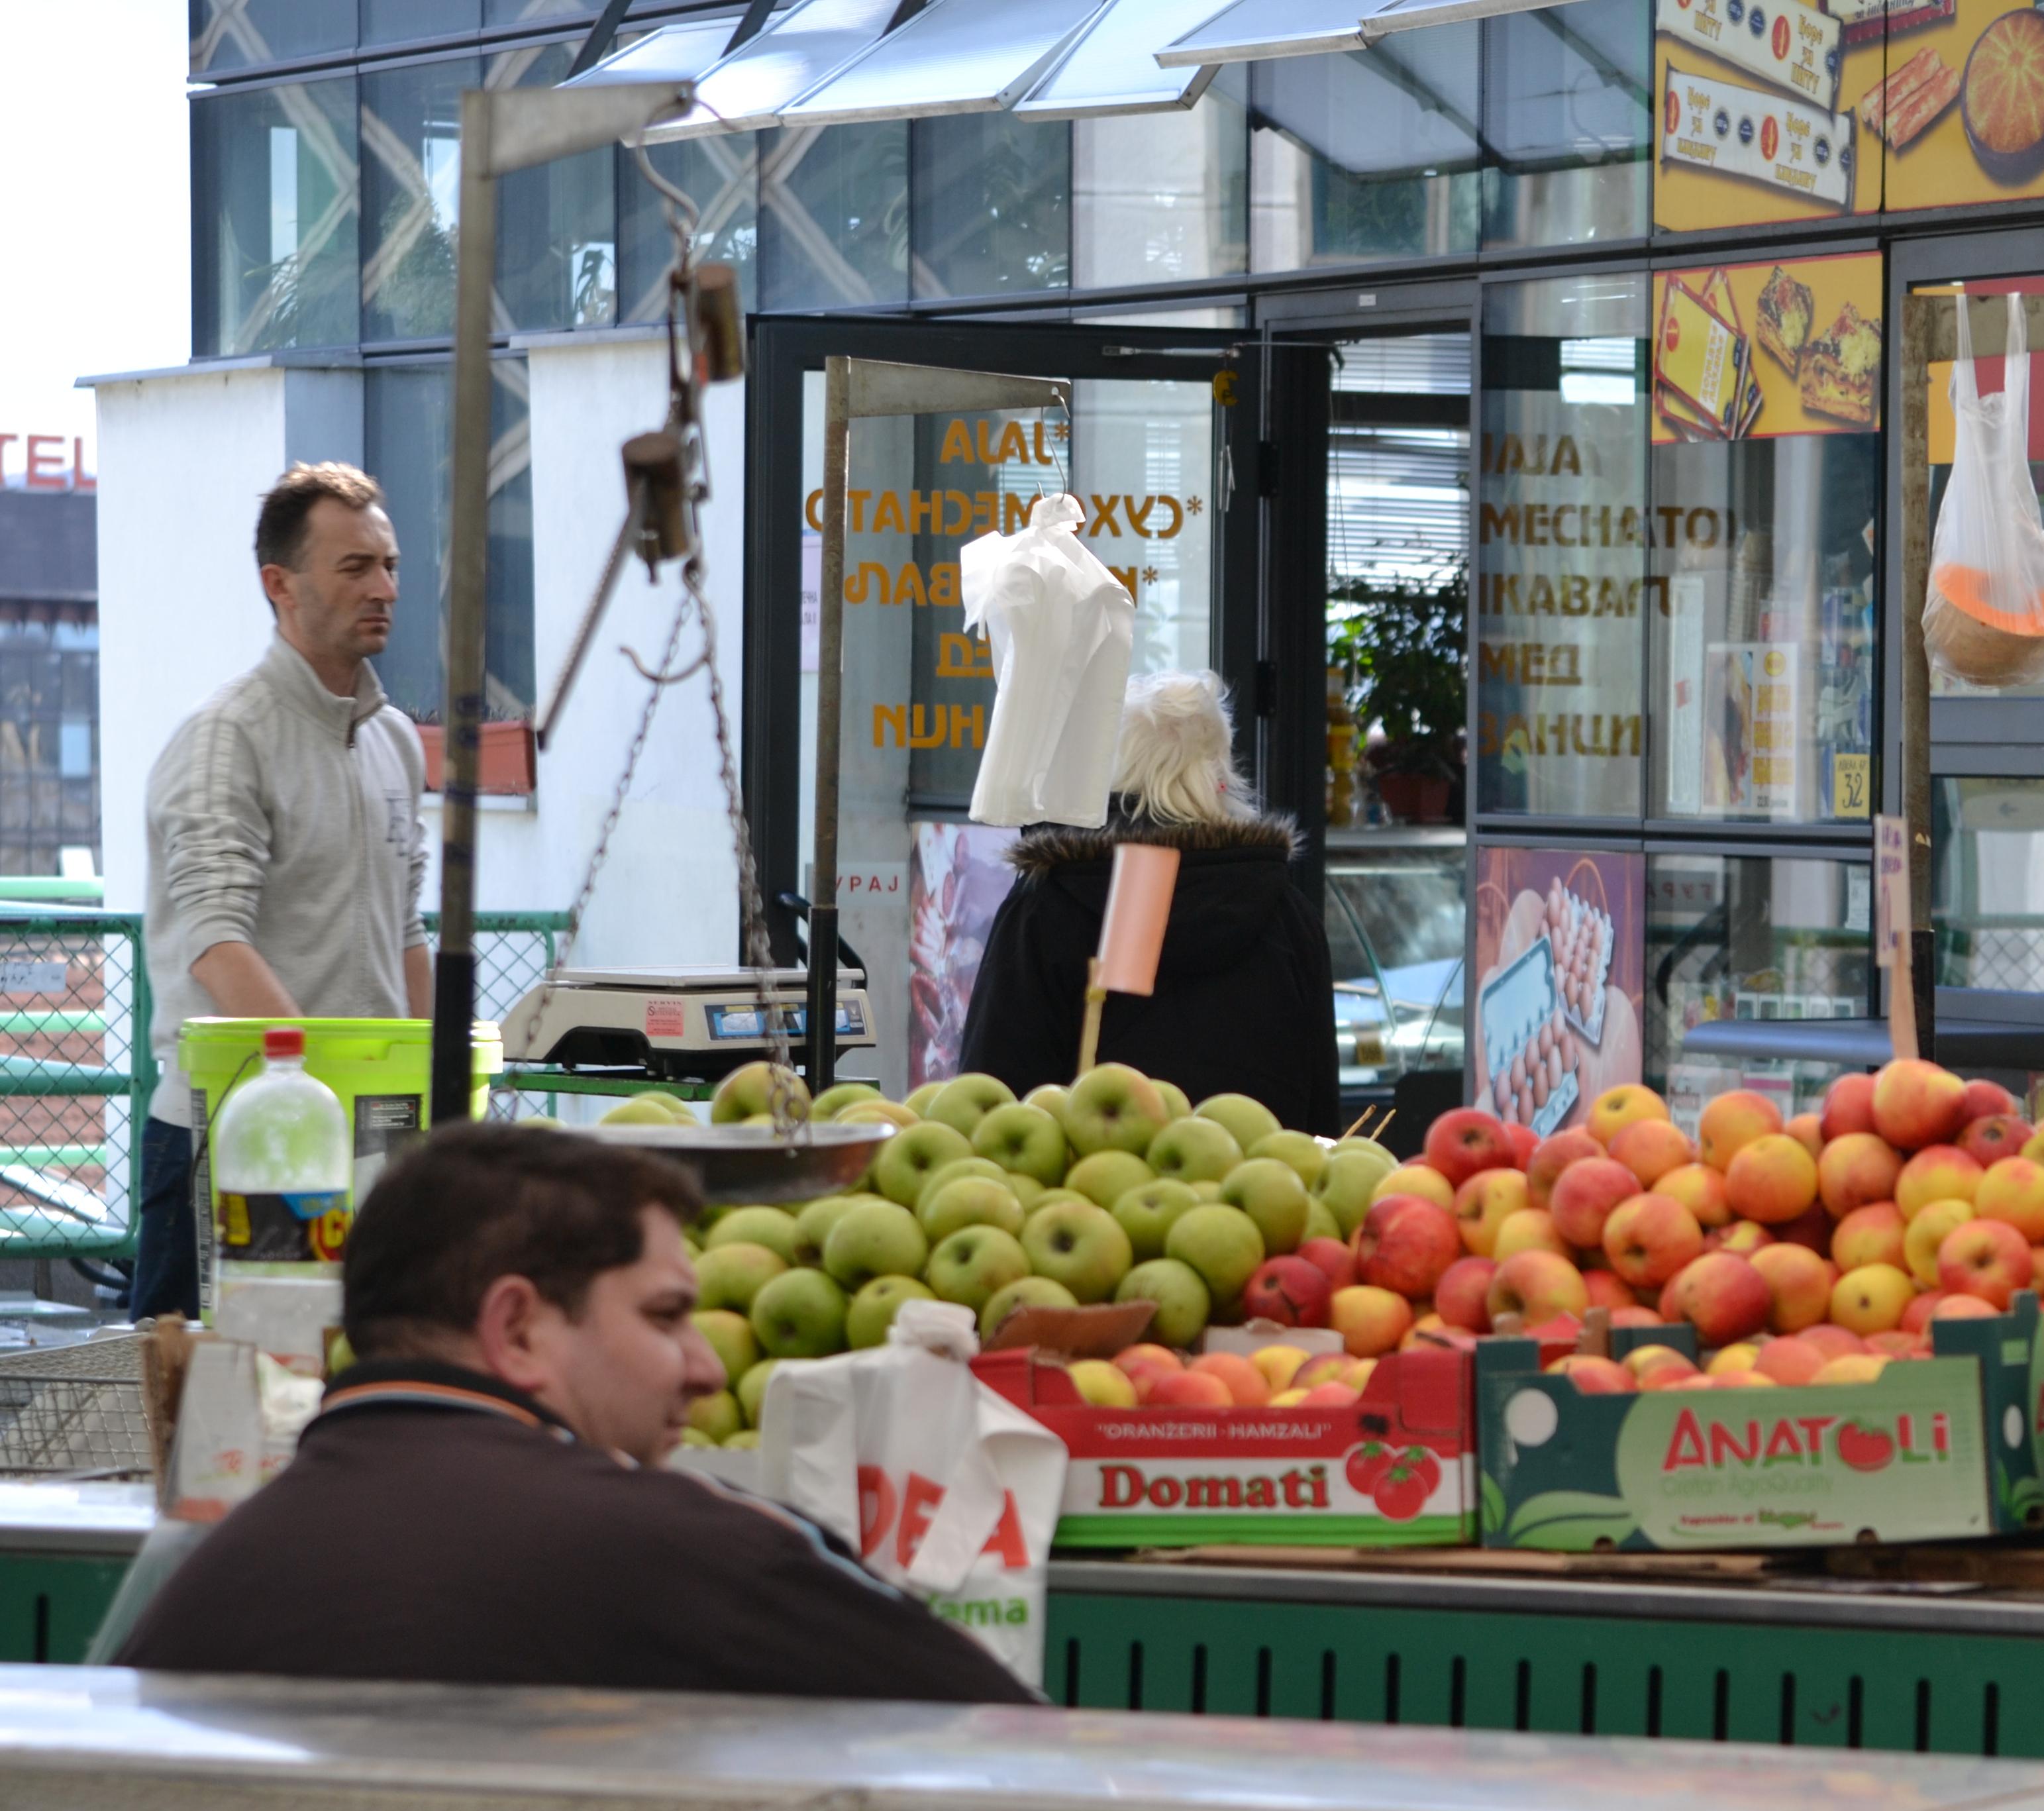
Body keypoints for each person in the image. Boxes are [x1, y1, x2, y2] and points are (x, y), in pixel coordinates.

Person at [116, 1125, 1034, 1704]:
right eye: (666, 1316)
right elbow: (1005, 1739)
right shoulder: (691, 1552)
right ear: (516, 1327)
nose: (708, 1371)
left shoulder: (215, 1573)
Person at [130, 465, 433, 1324]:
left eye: (391, 565)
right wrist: (314, 1104)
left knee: (353, 1406)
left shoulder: (396, 744)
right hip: (235, 1141)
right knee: (206, 1424)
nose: (385, 588)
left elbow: (407, 933)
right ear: (281, 586)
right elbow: (218, 947)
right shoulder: (227, 739)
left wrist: (434, 1105)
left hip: (373, 1139)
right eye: (354, 568)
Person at [958, 670, 1339, 1130]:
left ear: (1105, 771)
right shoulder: (1288, 915)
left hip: (1085, 1192)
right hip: (1258, 1190)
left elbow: (992, 1093)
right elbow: (1318, 1105)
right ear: (1221, 774)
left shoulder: (1050, 905)